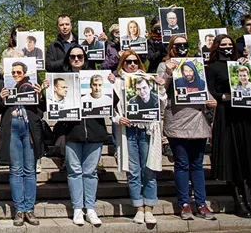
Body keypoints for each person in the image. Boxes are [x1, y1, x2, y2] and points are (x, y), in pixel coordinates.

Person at [205, 34, 251, 219]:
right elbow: (211, 89)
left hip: (245, 115)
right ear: (217, 47)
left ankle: (248, 201)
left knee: (246, 158)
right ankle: (238, 203)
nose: (227, 47)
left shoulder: (240, 65)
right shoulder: (213, 67)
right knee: (232, 159)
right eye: (223, 45)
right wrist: (223, 97)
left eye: (230, 44)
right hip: (226, 114)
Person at [157, 36, 217, 221]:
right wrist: (167, 73)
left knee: (197, 165)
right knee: (181, 164)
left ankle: (201, 203)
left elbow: (204, 88)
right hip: (176, 119)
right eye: (177, 45)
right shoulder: (164, 65)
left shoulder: (196, 64)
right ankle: (184, 203)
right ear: (171, 46)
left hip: (197, 120)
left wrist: (211, 101)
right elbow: (160, 91)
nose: (181, 47)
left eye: (184, 44)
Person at [53, 46, 107, 226]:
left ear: (85, 58)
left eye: (80, 56)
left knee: (90, 173)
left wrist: (111, 83)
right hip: (71, 132)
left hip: (95, 131)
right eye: (73, 57)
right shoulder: (62, 79)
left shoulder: (97, 77)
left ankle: (90, 208)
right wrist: (49, 91)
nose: (76, 59)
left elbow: (110, 101)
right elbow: (53, 103)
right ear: (68, 59)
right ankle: (77, 209)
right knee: (74, 172)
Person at [112, 50, 165, 225]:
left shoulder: (150, 80)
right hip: (129, 132)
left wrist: (161, 85)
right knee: (134, 171)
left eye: (136, 61)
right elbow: (110, 107)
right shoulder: (117, 83)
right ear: (122, 64)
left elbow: (162, 103)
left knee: (149, 169)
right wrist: (118, 118)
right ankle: (139, 208)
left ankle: (149, 207)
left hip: (147, 130)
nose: (132, 64)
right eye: (128, 62)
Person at [0, 49, 44, 227]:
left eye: (18, 66)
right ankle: (19, 209)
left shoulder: (33, 82)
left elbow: (43, 109)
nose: (15, 73)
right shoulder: (2, 83)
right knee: (16, 170)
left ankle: (29, 209)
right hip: (12, 128)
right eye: (12, 67)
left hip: (29, 127)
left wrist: (40, 95)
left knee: (30, 169)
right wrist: (1, 99)